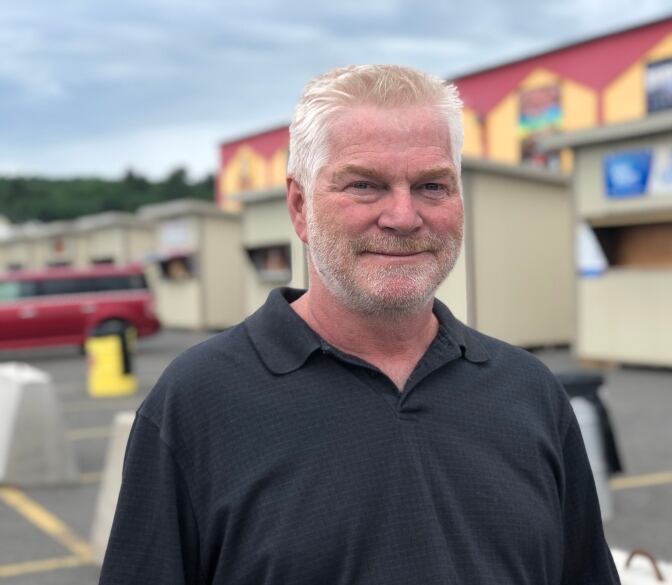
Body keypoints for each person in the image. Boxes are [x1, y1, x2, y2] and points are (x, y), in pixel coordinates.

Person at [99, 64, 620, 585]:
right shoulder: (197, 403)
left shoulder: (527, 392)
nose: (403, 216)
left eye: (432, 185)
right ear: (300, 206)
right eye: (365, 185)